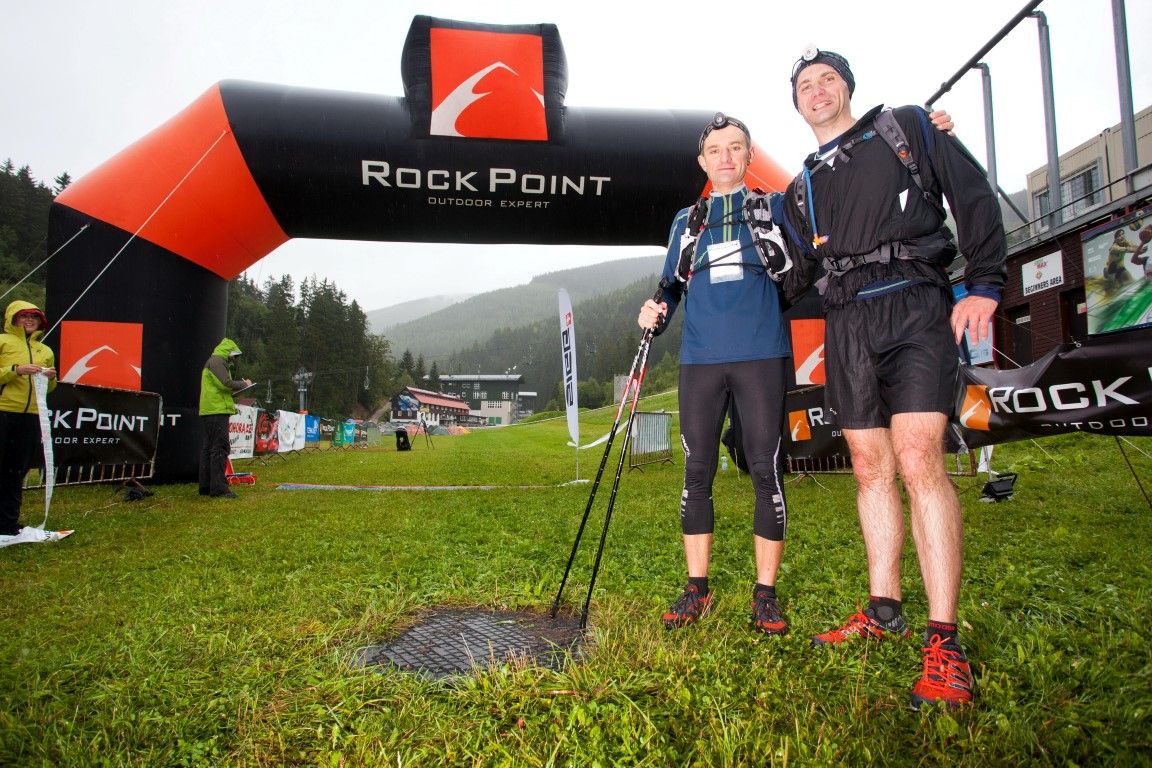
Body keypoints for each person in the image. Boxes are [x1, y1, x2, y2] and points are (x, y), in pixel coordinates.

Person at [776, 48, 1006, 709]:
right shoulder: (800, 188)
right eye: (805, 85)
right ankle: (883, 609)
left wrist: (985, 282)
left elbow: (972, 195)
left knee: (918, 458)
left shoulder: (907, 127)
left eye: (827, 79)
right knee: (869, 464)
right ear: (796, 103)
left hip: (915, 303)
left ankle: (944, 641)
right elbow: (795, 276)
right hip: (848, 323)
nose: (817, 90)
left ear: (847, 87)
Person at [638, 113, 795, 636]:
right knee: (696, 470)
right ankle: (696, 588)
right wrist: (654, 310)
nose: (725, 156)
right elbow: (670, 287)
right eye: (715, 150)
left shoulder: (774, 209)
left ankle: (765, 594)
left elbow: (804, 268)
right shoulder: (687, 222)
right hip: (700, 361)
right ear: (702, 161)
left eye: (735, 147)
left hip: (760, 357)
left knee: (765, 470)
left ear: (749, 156)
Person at [0, 301, 57, 540]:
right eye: (24, 316)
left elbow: (50, 389)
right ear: (12, 319)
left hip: (31, 416)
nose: (29, 320)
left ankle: (7, 524)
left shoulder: (45, 351)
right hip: (3, 411)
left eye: (34, 317)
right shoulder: (2, 342)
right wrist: (15, 370)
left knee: (16, 472)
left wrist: (50, 378)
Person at [199, 338, 251, 499]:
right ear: (228, 352)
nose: (233, 360)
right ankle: (219, 488)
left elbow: (221, 386)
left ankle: (206, 486)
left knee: (209, 448)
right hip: (217, 409)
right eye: (233, 356)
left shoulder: (213, 361)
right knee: (219, 448)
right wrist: (244, 384)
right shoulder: (217, 362)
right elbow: (225, 383)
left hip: (210, 409)